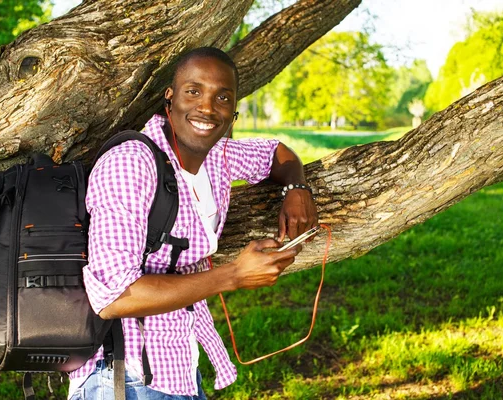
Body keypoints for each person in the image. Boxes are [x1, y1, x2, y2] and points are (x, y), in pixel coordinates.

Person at [68, 47, 318, 399]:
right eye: (194, 91)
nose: (207, 107)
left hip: (181, 369)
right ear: (170, 98)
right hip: (124, 378)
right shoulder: (130, 164)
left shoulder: (218, 156)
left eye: (222, 97)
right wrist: (234, 275)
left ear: (233, 112)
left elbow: (276, 152)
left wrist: (296, 188)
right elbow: (114, 297)